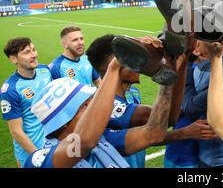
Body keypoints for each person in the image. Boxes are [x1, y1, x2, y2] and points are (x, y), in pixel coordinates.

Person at [24, 53, 176, 168]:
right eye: (84, 105)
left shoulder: (102, 139)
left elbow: (153, 133)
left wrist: (168, 72)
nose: (92, 107)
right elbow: (82, 143)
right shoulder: (39, 161)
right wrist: (115, 66)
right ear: (63, 121)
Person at [86, 34, 217, 168]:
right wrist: (185, 132)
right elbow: (165, 122)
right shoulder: (107, 106)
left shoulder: (132, 93)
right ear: (109, 67)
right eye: (130, 56)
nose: (137, 61)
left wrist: (182, 59)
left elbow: (155, 128)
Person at [181, 39, 223, 168]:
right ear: (196, 49)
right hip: (221, 159)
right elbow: (190, 109)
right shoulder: (201, 71)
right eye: (208, 37)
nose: (220, 39)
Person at [1, 37, 53, 167]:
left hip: (52, 144)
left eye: (34, 50)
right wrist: (37, 155)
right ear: (14, 59)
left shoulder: (45, 71)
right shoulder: (10, 89)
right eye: (27, 52)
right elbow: (16, 131)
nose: (34, 55)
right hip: (30, 152)